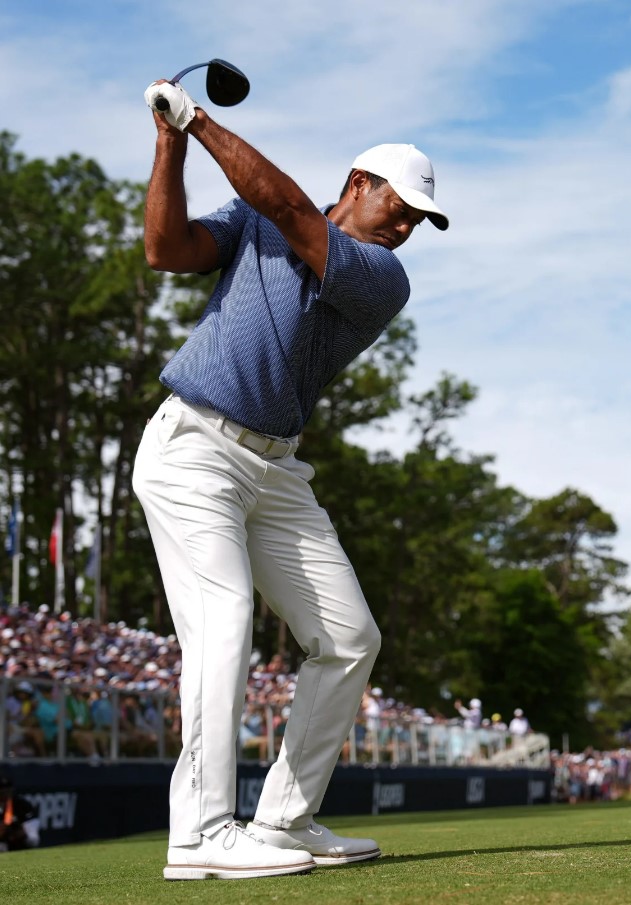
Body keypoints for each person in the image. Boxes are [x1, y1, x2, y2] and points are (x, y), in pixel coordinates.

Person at [133, 76, 448, 881]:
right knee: (225, 620)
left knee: (349, 638)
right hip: (192, 448)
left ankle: (283, 818)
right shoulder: (254, 221)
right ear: (359, 184)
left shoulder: (381, 278)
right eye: (401, 208)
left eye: (419, 220)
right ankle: (200, 832)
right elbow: (166, 250)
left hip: (276, 470)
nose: (408, 227)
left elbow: (293, 214)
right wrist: (169, 145)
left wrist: (196, 118)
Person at [0, 773, 40, 852]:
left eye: (7, 789)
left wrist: (21, 831)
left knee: (33, 839)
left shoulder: (21, 804)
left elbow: (30, 825)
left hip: (19, 835)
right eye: (2, 790)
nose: (5, 792)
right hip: (3, 841)